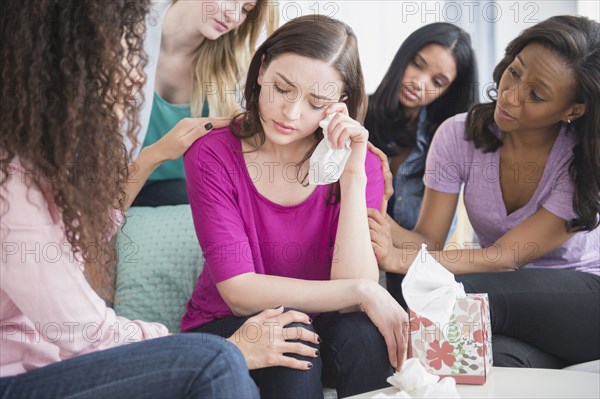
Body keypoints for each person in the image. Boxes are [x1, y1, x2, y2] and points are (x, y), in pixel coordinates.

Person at [0, 1, 318, 397]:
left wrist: (154, 155)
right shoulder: (15, 186)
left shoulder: (41, 165)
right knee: (219, 363)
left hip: (38, 360)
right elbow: (87, 334)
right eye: (125, 56)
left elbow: (80, 241)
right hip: (16, 377)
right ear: (68, 68)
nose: (138, 75)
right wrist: (223, 347)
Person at [182, 15, 409, 399]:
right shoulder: (212, 153)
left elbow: (355, 285)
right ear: (261, 68)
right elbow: (239, 291)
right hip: (228, 324)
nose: (291, 113)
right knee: (292, 339)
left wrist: (353, 174)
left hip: (325, 322)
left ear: (339, 107)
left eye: (316, 103)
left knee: (363, 335)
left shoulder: (361, 163)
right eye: (282, 88)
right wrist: (363, 292)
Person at [368, 15, 600, 368]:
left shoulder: (580, 160)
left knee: (454, 293)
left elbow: (507, 257)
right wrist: (371, 217)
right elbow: (428, 241)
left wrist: (399, 260)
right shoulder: (457, 135)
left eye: (535, 94)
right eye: (516, 72)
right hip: (522, 313)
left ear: (573, 110)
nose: (510, 95)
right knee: (495, 362)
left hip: (584, 298)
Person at [364, 23, 478, 304]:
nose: (419, 82)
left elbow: (429, 244)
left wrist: (374, 221)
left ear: (448, 91)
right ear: (405, 56)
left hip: (409, 279)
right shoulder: (354, 113)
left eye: (437, 82)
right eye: (417, 64)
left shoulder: (445, 143)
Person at [132, 0, 277, 206]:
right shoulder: (122, 35)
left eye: (245, 9)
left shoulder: (233, 69)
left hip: (177, 191)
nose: (234, 17)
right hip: (110, 180)